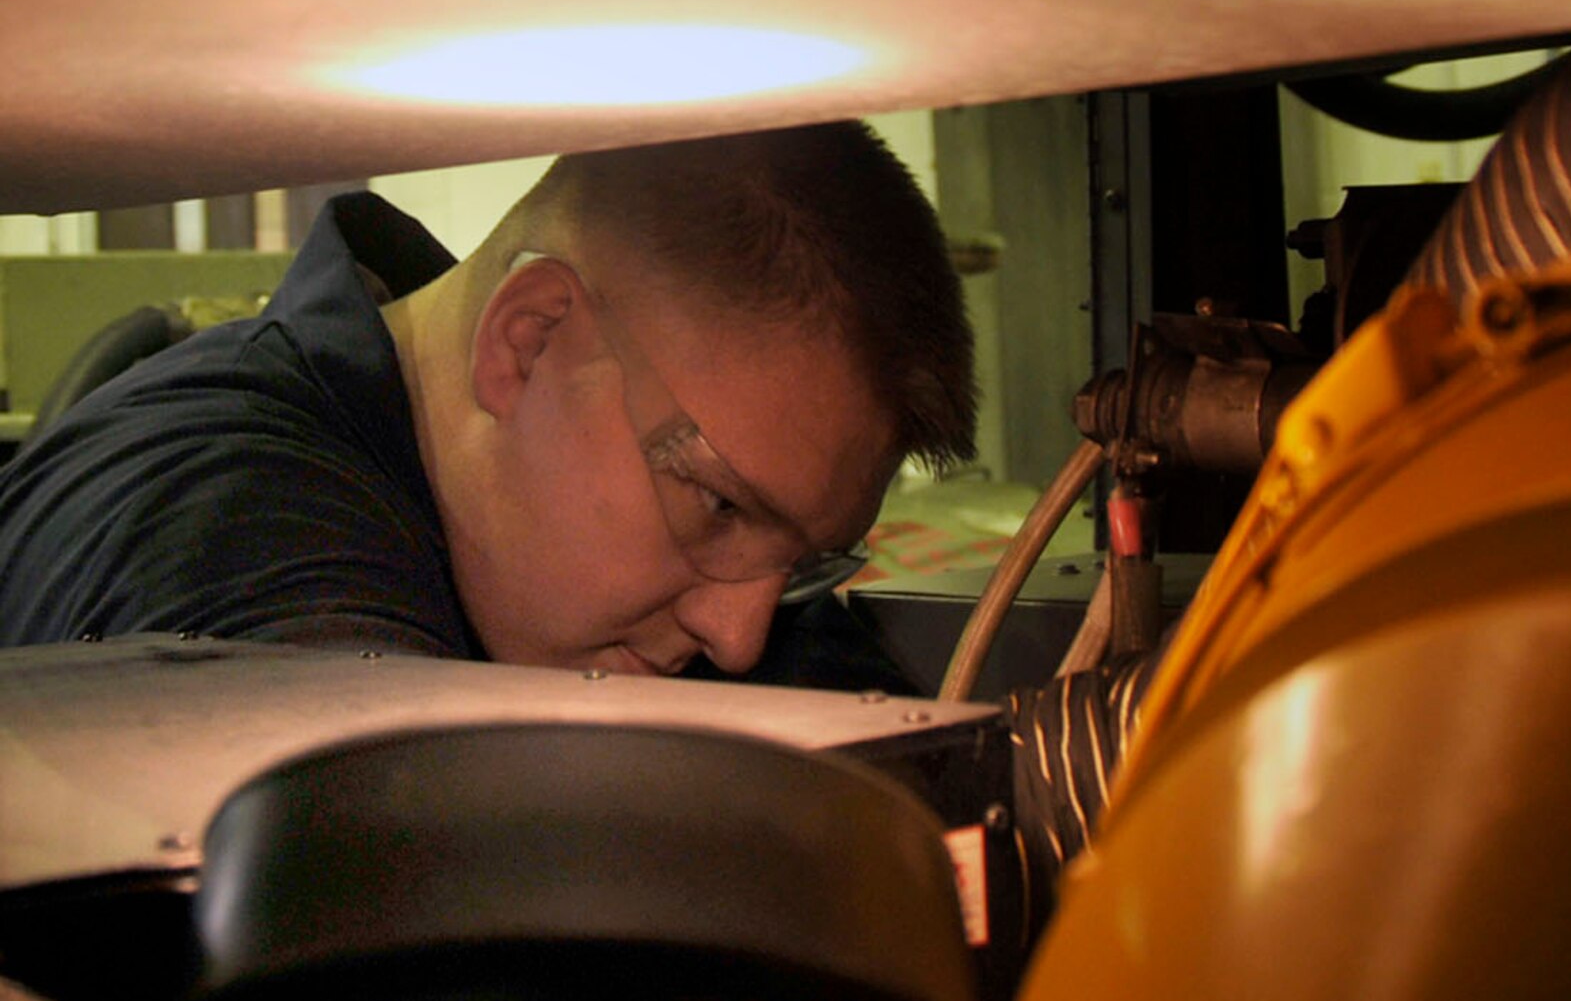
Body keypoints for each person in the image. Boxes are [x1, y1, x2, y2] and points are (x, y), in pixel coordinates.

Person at [0, 122, 976, 681]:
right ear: (529, 337)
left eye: (800, 561)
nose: (737, 635)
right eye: (719, 506)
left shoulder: (460, 496)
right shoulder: (242, 548)